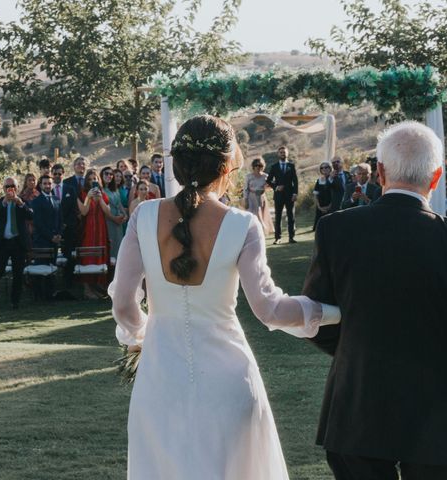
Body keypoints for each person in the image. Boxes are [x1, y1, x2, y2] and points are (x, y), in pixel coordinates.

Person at [109, 115, 340, 480]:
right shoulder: (242, 224)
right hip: (229, 381)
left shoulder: (143, 216)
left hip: (160, 381)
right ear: (227, 165)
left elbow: (123, 302)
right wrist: (333, 312)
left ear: (177, 163)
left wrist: (141, 338)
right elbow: (271, 309)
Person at [304, 121, 447, 480]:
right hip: (437, 414)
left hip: (358, 404)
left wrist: (354, 346)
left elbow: (313, 316)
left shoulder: (337, 230)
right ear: (436, 177)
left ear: (380, 172)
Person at [0, 177, 34, 311]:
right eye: (7, 186)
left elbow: (31, 215)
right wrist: (4, 203)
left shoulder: (23, 201)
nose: (10, 188)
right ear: (4, 189)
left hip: (18, 243)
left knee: (18, 274)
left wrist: (20, 204)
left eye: (12, 186)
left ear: (17, 188)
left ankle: (15, 302)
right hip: (3, 243)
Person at [78, 169, 118, 299]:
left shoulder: (103, 193)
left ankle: (100, 287)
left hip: (101, 228)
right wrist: (89, 198)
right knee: (88, 256)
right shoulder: (82, 193)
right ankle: (87, 289)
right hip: (88, 228)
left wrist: (100, 199)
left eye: (94, 179)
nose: (92, 181)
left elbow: (108, 211)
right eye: (89, 179)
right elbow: (84, 211)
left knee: (101, 255)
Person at [30, 175, 61, 300]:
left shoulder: (56, 199)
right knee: (40, 268)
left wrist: (59, 234)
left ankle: (50, 295)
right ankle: (38, 296)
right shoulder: (36, 201)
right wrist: (50, 237)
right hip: (42, 240)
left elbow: (60, 219)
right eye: (45, 183)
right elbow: (38, 223)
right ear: (40, 185)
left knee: (52, 268)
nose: (48, 186)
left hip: (55, 240)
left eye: (49, 183)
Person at [61, 157, 88, 285]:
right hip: (71, 223)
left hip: (88, 221)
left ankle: (86, 279)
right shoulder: (66, 183)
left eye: (83, 164)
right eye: (78, 164)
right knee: (70, 251)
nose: (81, 166)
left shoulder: (91, 181)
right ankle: (69, 280)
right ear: (74, 166)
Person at [266, 146, 299, 244]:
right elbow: (268, 180)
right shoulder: (274, 167)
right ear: (278, 154)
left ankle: (291, 237)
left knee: (291, 216)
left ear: (287, 153)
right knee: (278, 217)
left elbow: (295, 181)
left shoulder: (291, 166)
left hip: (290, 195)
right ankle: (277, 238)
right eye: (281, 152)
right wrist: (276, 187)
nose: (282, 154)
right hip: (278, 195)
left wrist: (295, 193)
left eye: (284, 152)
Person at [101, 166, 128, 262]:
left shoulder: (115, 189)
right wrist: (114, 219)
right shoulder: (101, 190)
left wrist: (125, 215)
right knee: (111, 246)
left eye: (111, 174)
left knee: (119, 246)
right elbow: (103, 209)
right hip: (108, 221)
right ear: (101, 175)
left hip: (119, 222)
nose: (109, 176)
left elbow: (119, 203)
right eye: (106, 173)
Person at [243, 157, 273, 235]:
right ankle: (254, 231)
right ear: (253, 166)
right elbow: (245, 189)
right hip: (251, 198)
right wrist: (245, 199)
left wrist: (266, 187)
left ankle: (262, 231)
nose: (258, 167)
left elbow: (272, 186)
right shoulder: (248, 176)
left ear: (263, 166)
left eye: (260, 165)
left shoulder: (265, 176)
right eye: (256, 165)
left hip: (261, 197)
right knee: (253, 215)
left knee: (261, 215)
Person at [312, 161, 334, 230]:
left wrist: (329, 206)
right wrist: (319, 207)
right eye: (322, 168)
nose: (324, 169)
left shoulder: (334, 179)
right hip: (320, 208)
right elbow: (315, 195)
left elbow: (334, 194)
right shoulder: (319, 181)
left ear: (330, 168)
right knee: (320, 229)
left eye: (326, 167)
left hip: (331, 207)